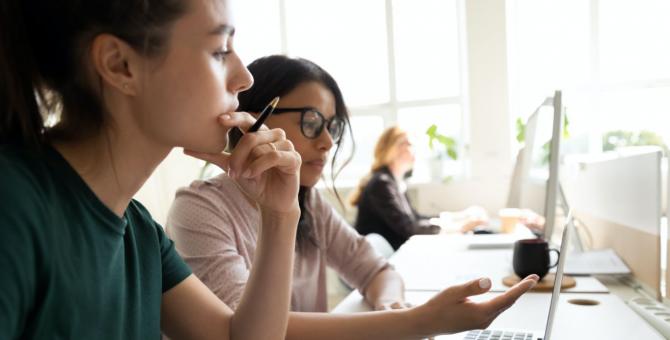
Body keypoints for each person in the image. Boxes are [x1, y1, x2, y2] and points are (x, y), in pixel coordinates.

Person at [0, 0, 538, 339]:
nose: (241, 79)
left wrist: (280, 215)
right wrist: (418, 321)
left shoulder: (138, 234)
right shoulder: (15, 206)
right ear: (120, 66)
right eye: (219, 50)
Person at [167, 55, 409, 312]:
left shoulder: (310, 203)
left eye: (332, 127)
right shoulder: (200, 208)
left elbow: (377, 270)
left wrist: (389, 304)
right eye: (312, 122)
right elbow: (249, 330)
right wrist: (409, 321)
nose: (328, 142)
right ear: (253, 123)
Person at [351, 126, 441, 250]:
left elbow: (415, 219)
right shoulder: (382, 184)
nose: (414, 149)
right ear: (392, 149)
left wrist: (451, 219)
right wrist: (451, 226)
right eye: (409, 144)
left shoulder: (395, 182)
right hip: (385, 260)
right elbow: (408, 228)